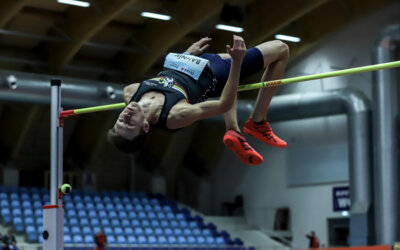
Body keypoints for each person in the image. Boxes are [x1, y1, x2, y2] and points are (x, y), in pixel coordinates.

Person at [108, 35, 289, 165]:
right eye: (130, 124)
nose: (126, 115)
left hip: (196, 60)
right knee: (281, 49)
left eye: (120, 121)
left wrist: (187, 54)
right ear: (146, 126)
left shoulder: (130, 92)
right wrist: (237, 64)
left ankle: (233, 130)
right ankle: (257, 121)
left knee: (268, 52)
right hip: (215, 74)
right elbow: (222, 104)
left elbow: (166, 78)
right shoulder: (174, 116)